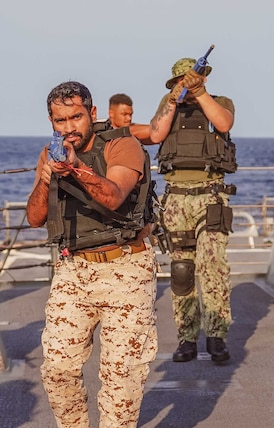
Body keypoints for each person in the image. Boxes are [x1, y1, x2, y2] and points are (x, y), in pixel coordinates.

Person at [26, 81, 158, 427]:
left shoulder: (122, 145)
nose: (68, 128)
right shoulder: (49, 153)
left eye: (76, 117)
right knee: (57, 368)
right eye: (59, 121)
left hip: (127, 267)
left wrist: (75, 169)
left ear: (92, 113)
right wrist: (44, 178)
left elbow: (114, 196)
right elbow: (35, 217)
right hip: (75, 270)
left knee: (121, 379)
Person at [149, 57, 238, 363]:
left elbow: (224, 123)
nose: (185, 84)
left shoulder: (219, 102)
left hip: (210, 195)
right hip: (176, 198)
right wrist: (175, 97)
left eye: (193, 78)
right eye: (180, 80)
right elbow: (157, 134)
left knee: (213, 265)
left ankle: (216, 335)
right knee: (182, 271)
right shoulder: (168, 104)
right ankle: (187, 337)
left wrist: (199, 92)